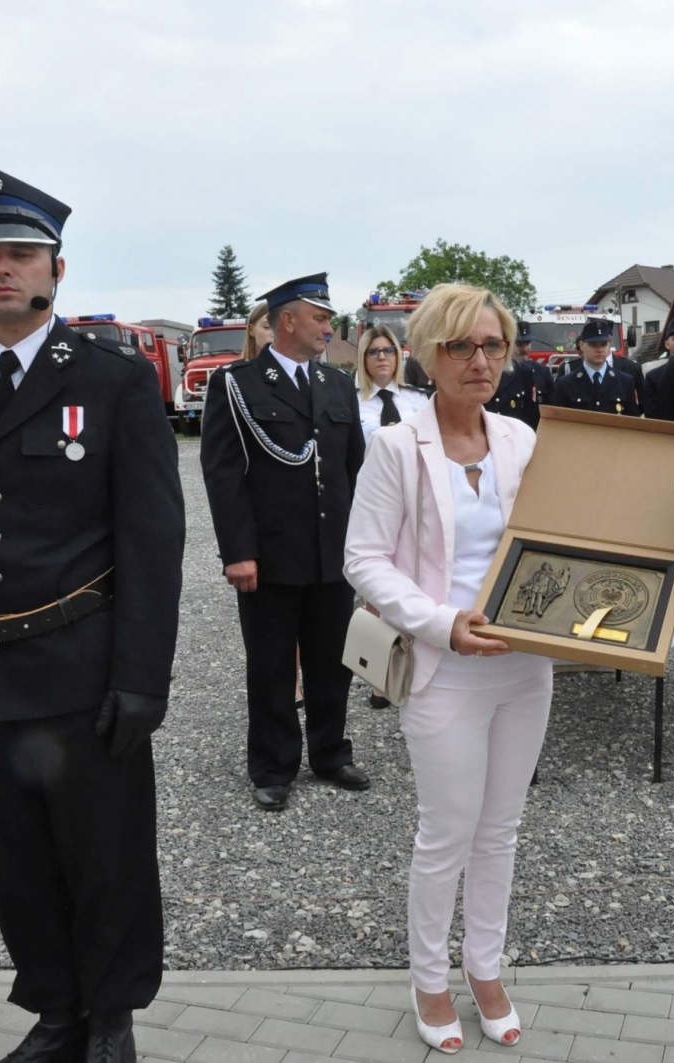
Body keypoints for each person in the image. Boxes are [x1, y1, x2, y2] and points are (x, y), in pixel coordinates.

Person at [0, 165, 185, 1063]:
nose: (2, 270)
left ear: (56, 267)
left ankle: (111, 1015)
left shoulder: (112, 380)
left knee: (104, 856)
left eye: (20, 254)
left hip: (79, 662)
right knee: (15, 859)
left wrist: (142, 677)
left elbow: (152, 541)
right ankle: (56, 1008)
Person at [342, 283, 548, 1056]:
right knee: (447, 832)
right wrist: (441, 623)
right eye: (462, 345)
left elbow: (561, 540)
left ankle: (485, 967)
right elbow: (361, 558)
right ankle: (429, 977)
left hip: (525, 665)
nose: (480, 360)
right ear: (429, 354)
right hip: (444, 666)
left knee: (501, 829)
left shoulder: (523, 439)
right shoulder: (398, 445)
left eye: (493, 344)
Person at [199, 272, 369, 812]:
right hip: (270, 554)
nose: (329, 326)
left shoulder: (338, 385)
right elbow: (223, 474)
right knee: (271, 664)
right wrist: (238, 552)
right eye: (320, 318)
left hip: (331, 552)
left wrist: (363, 546)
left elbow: (352, 469)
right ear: (287, 320)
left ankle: (330, 752)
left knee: (332, 659)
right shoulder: (237, 383)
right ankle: (273, 765)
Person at [544, 317, 640, 416]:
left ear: (609, 344)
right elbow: (560, 424)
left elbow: (632, 423)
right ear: (581, 345)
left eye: (603, 344)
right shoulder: (565, 384)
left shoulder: (625, 382)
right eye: (593, 345)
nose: (599, 349)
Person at [354, 324, 429, 444]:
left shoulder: (417, 398)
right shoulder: (352, 401)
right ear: (363, 358)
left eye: (389, 351)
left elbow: (430, 444)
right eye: (373, 352)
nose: (382, 357)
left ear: (397, 356)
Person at [484, 320, 555, 429]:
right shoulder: (490, 370)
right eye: (520, 344)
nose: (525, 349)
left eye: (528, 343)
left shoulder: (535, 372)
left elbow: (533, 413)